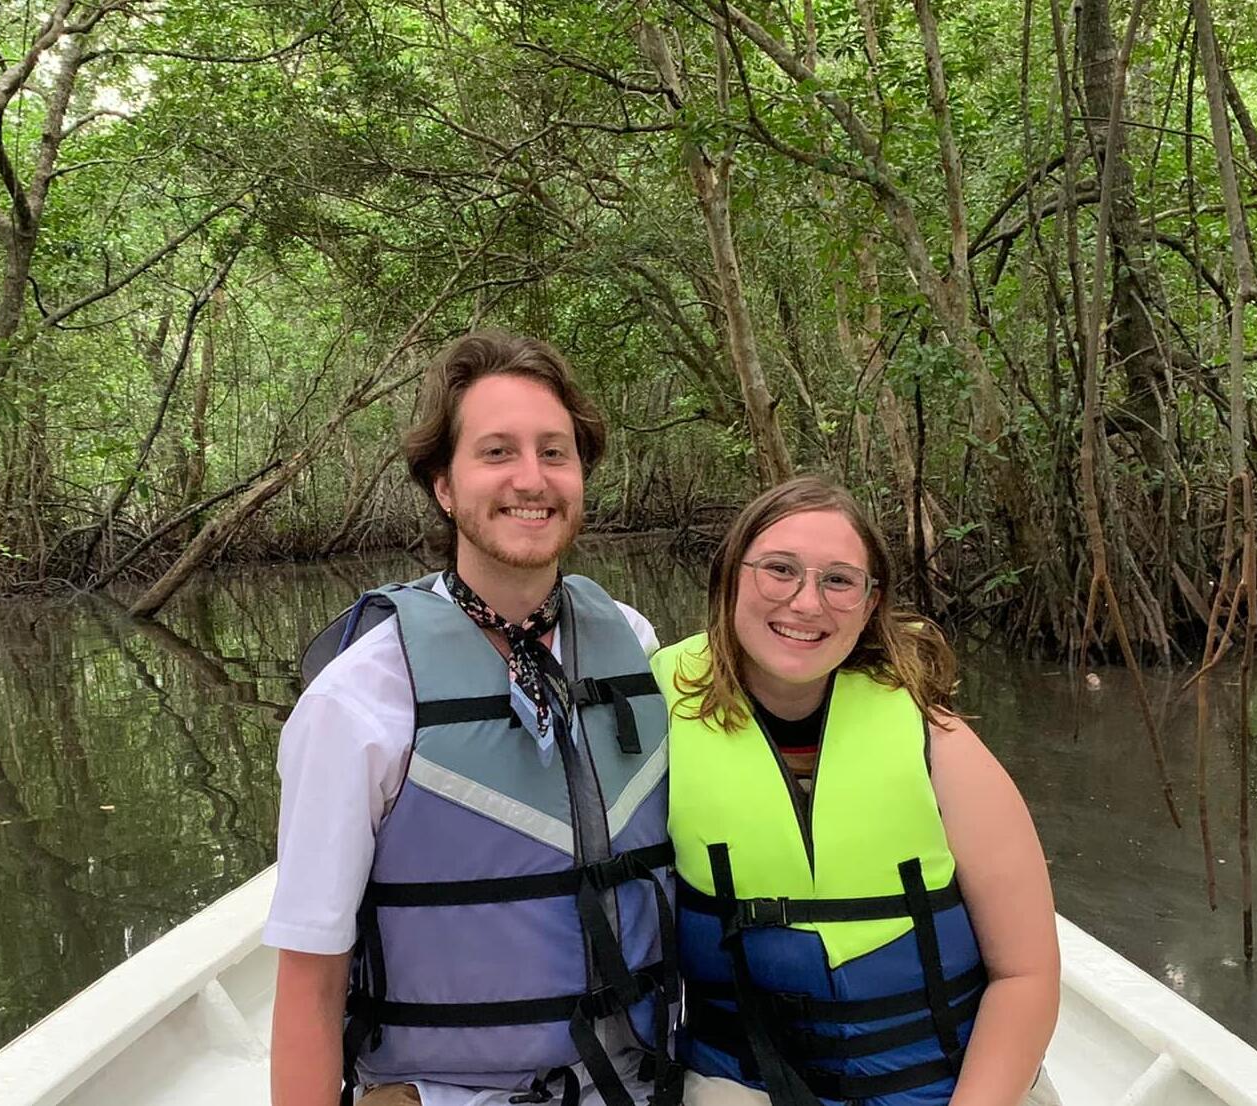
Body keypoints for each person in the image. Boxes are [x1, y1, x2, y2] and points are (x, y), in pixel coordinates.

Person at [266, 332, 679, 1106]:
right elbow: (310, 976)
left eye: (554, 452)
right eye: (496, 452)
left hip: (629, 1083)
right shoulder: (359, 698)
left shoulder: (632, 640)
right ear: (443, 486)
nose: (532, 478)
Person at [652, 476, 1060, 1106]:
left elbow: (1027, 973)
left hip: (942, 1084)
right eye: (779, 570)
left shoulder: (932, 736)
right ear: (731, 576)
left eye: (839, 580)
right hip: (745, 1083)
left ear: (871, 604)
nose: (806, 603)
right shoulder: (654, 718)